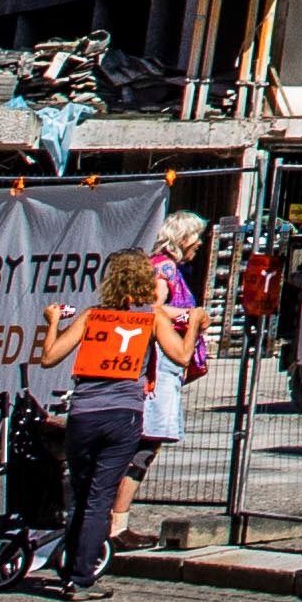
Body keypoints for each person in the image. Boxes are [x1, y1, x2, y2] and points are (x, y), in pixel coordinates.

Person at [31, 245, 200, 597]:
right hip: (123, 415)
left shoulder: (93, 316)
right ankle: (80, 578)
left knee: (79, 493)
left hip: (84, 413)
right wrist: (195, 323)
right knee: (100, 497)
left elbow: (48, 358)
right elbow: (182, 356)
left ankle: (68, 567)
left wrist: (52, 323)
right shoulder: (152, 317)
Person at [129, 208, 208, 488]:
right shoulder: (165, 268)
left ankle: (116, 519)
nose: (199, 243)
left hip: (162, 359)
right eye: (196, 237)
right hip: (160, 360)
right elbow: (152, 308)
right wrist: (191, 317)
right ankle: (117, 521)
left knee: (147, 443)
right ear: (183, 237)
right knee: (147, 442)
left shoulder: (164, 265)